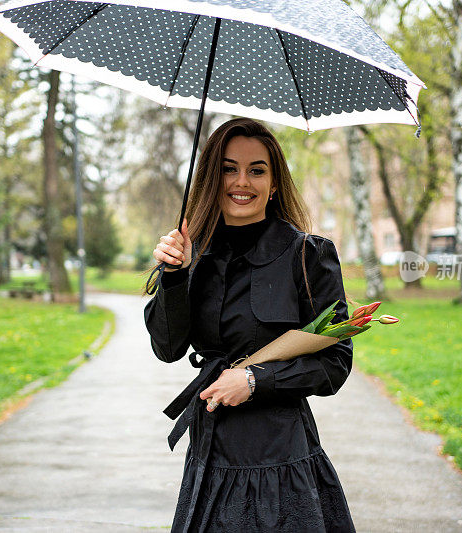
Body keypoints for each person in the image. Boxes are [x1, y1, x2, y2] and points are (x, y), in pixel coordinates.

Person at [143, 117, 357, 533]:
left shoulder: (308, 256)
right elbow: (167, 348)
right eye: (228, 168)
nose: (242, 181)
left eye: (256, 170)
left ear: (274, 184)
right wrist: (173, 276)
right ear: (210, 177)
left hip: (280, 455)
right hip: (210, 450)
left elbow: (335, 364)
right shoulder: (191, 256)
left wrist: (256, 380)